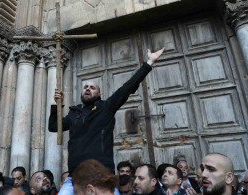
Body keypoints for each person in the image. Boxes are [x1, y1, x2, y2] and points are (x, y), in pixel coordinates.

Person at [49, 48, 165, 195]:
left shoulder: (106, 108)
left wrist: (149, 63)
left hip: (102, 175)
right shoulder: (74, 113)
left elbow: (127, 88)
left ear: (98, 94)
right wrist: (56, 105)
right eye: (85, 87)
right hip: (75, 177)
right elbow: (53, 127)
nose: (88, 89)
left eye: (92, 87)